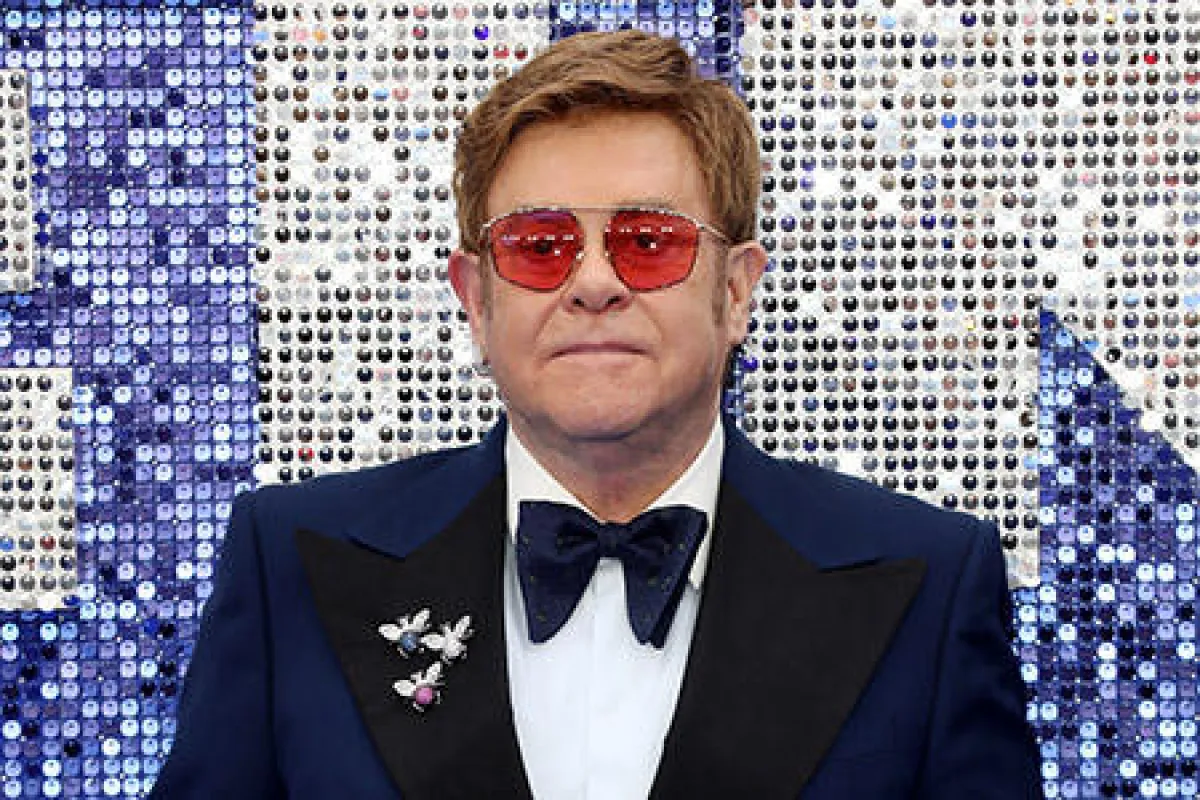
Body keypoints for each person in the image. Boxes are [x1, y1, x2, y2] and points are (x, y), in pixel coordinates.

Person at [151, 30, 1041, 800]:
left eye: (649, 242)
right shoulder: (289, 561)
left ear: (737, 291)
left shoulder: (929, 582)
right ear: (477, 299)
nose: (594, 283)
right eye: (539, 246)